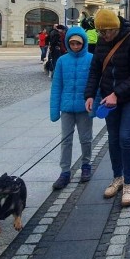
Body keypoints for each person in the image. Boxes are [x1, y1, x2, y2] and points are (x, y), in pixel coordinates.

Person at [84, 10, 130, 208]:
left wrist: (117, 94)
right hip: (109, 97)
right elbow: (95, 69)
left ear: (116, 27)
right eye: (101, 32)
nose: (104, 36)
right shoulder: (102, 42)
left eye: (107, 32)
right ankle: (117, 177)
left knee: (125, 137)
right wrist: (90, 94)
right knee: (113, 138)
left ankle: (128, 183)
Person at [50, 26, 95, 190]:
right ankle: (64, 172)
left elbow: (95, 84)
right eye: (73, 43)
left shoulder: (91, 59)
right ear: (68, 44)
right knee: (66, 140)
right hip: (67, 107)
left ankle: (86, 165)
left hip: (84, 107)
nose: (76, 46)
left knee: (85, 139)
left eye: (78, 43)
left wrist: (95, 104)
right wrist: (54, 109)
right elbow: (57, 86)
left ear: (84, 43)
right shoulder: (62, 60)